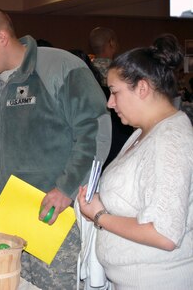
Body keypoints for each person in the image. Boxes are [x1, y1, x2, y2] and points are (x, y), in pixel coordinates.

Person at [0, 7, 111, 289]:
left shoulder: (60, 68)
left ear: (2, 37)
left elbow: (94, 134)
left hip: (52, 223)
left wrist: (66, 188)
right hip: (1, 223)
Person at [77, 37, 193, 289]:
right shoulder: (145, 131)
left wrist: (99, 214)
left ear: (142, 88)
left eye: (115, 92)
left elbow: (163, 234)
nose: (110, 103)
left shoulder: (169, 140)